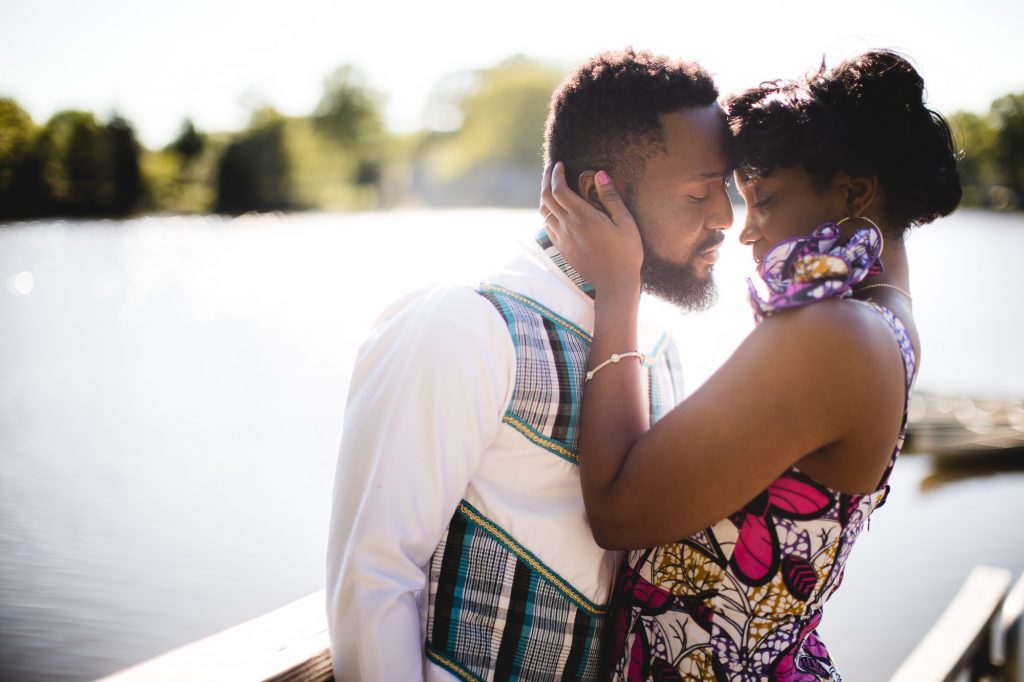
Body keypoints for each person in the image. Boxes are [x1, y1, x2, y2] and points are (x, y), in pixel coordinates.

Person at [540, 49, 961, 680]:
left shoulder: (833, 335)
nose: (744, 229)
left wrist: (618, 287)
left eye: (762, 198)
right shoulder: (882, 321)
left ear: (852, 192)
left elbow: (618, 513)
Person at [325, 48, 733, 681]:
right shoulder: (466, 322)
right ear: (604, 192)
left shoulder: (655, 342)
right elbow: (375, 577)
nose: (726, 218)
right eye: (700, 193)